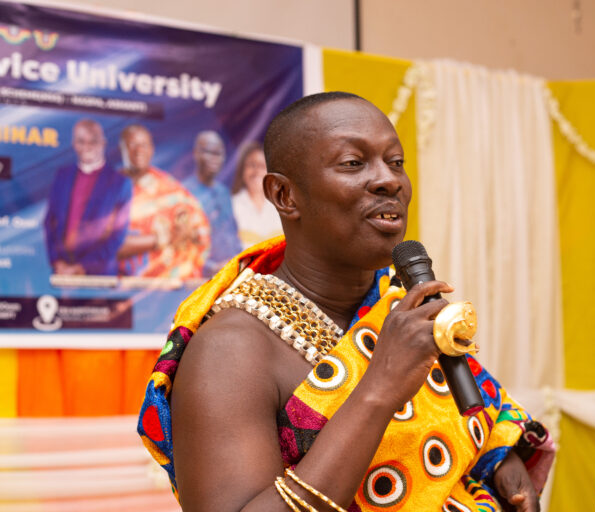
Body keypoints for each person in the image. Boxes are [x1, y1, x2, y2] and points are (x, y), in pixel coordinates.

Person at [138, 92, 554, 512]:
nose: (389, 180)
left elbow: (465, 422)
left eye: (396, 162)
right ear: (284, 194)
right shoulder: (229, 351)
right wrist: (379, 389)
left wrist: (499, 461)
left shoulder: (397, 308)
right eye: (353, 163)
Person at [117, 124, 210, 280]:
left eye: (144, 145)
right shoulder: (109, 188)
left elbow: (200, 229)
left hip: (169, 284)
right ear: (122, 149)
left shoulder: (170, 188)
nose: (139, 150)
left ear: (152, 149)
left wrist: (188, 232)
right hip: (124, 284)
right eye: (132, 144)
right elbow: (101, 244)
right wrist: (164, 238)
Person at [44, 118, 131, 276]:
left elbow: (118, 235)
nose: (87, 146)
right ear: (74, 144)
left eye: (93, 141)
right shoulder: (62, 176)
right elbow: (49, 221)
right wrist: (57, 262)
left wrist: (82, 267)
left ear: (103, 143)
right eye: (81, 141)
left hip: (99, 275)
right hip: (62, 273)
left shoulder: (120, 183)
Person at [182, 130, 241, 277]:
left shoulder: (224, 193)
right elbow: (181, 245)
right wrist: (212, 267)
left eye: (219, 153)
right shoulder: (183, 193)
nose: (215, 158)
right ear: (196, 154)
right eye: (209, 152)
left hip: (230, 274)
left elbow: (232, 235)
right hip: (199, 278)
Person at [231, 141, 282, 248]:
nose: (257, 171)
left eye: (262, 166)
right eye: (252, 165)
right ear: (242, 170)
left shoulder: (281, 204)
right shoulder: (231, 205)